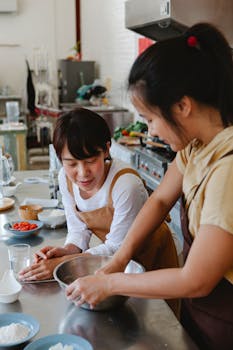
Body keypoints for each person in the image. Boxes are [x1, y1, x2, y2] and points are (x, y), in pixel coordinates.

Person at [64, 23, 233, 350]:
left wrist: (112, 283)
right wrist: (117, 258)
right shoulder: (196, 147)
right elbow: (159, 201)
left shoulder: (227, 167)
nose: (151, 132)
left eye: (151, 118)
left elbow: (196, 279)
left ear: (183, 106)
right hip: (202, 312)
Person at [19, 107, 148, 281]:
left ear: (106, 150)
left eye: (90, 161)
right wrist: (67, 250)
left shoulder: (126, 185)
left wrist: (63, 263)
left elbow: (117, 248)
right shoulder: (65, 179)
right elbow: (78, 229)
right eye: (72, 164)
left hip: (151, 263)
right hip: (116, 267)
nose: (82, 173)